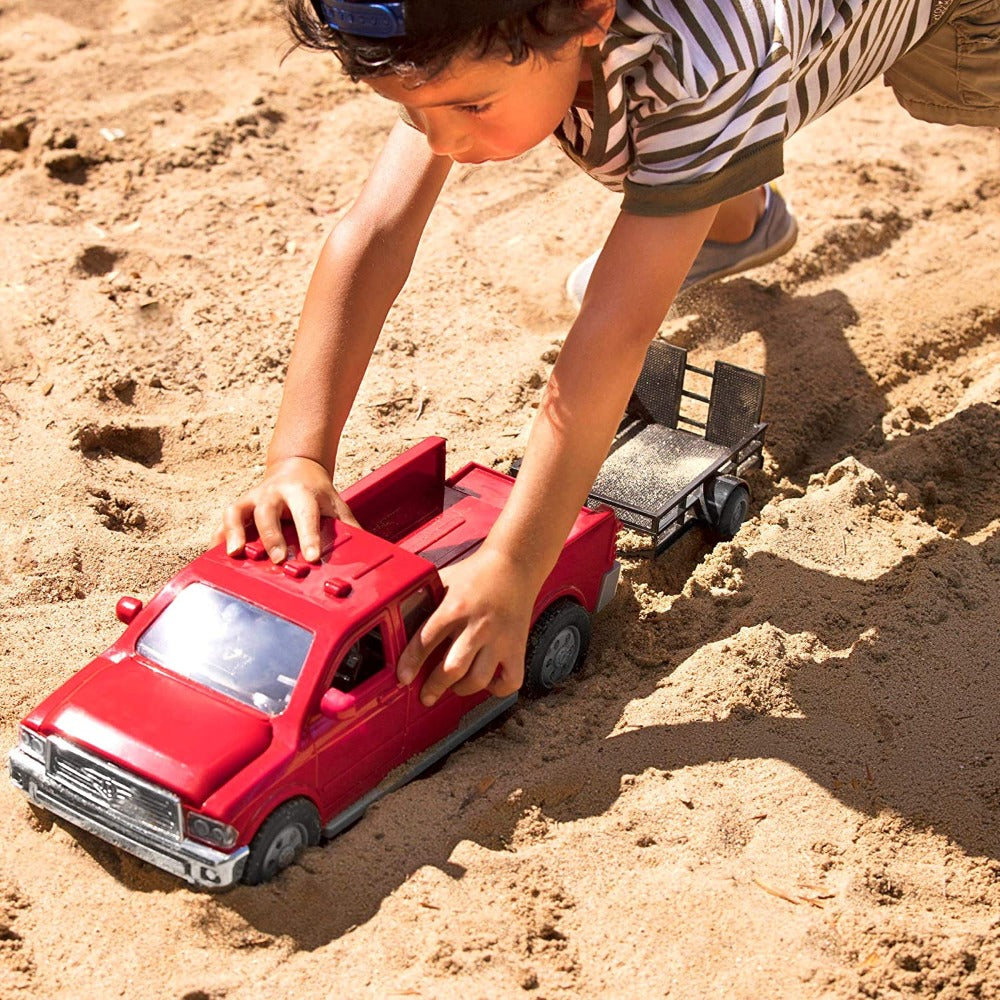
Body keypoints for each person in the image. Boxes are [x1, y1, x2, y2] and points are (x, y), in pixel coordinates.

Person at [219, 0, 999, 707]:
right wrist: (298, 457)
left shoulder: (701, 69)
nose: (446, 142)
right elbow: (376, 232)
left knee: (936, 92)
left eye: (469, 106)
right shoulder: (477, 28)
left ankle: (704, 209)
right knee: (666, 149)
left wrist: (517, 565)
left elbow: (614, 335)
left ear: (587, 15)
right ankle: (737, 221)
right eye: (414, 113)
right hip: (736, 64)